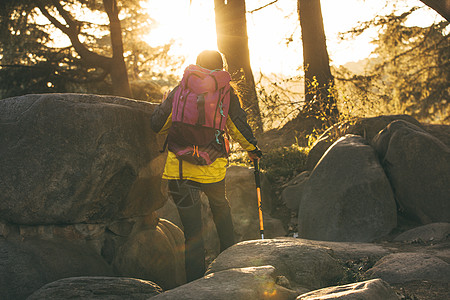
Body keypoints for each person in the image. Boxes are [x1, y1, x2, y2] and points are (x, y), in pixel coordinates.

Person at [151, 50, 261, 282]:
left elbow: (157, 126)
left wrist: (162, 106)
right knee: (221, 210)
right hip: (212, 169)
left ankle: (194, 285)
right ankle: (230, 270)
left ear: (197, 66)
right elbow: (238, 124)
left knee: (192, 234)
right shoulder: (226, 91)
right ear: (220, 68)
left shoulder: (180, 90)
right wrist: (252, 149)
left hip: (180, 171)